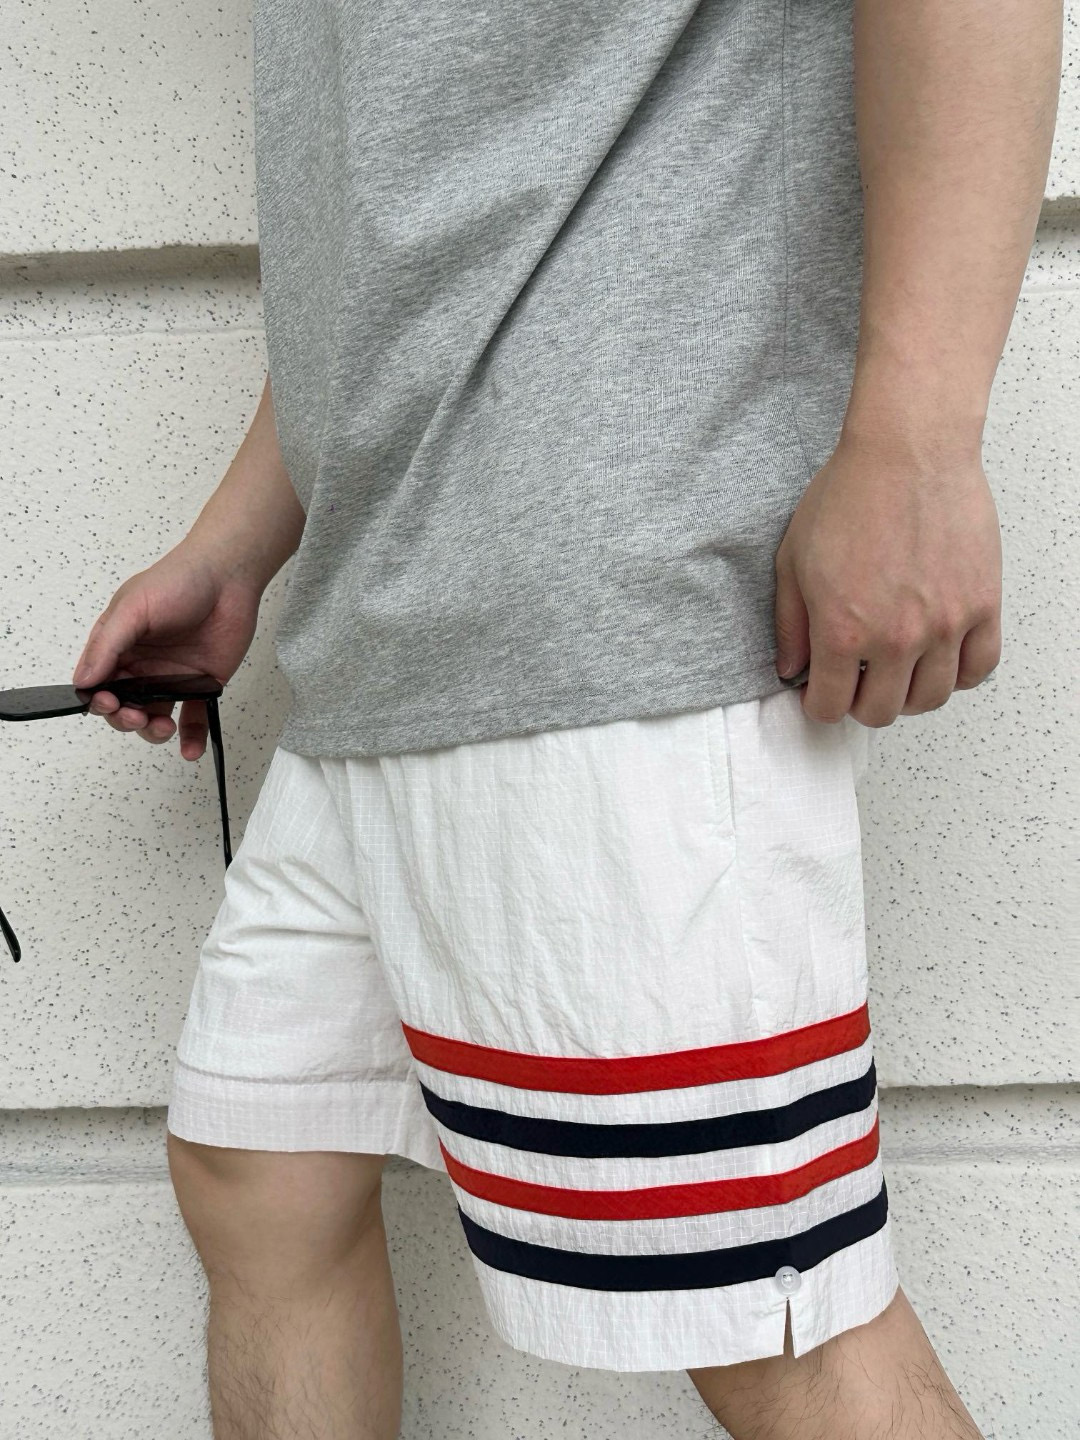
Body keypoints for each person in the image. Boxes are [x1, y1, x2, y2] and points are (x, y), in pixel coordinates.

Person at [71, 0, 1060, 1436]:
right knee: (259, 1173)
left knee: (774, 1325)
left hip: (606, 619)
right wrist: (239, 546)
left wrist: (917, 444)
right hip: (378, 643)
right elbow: (405, 231)